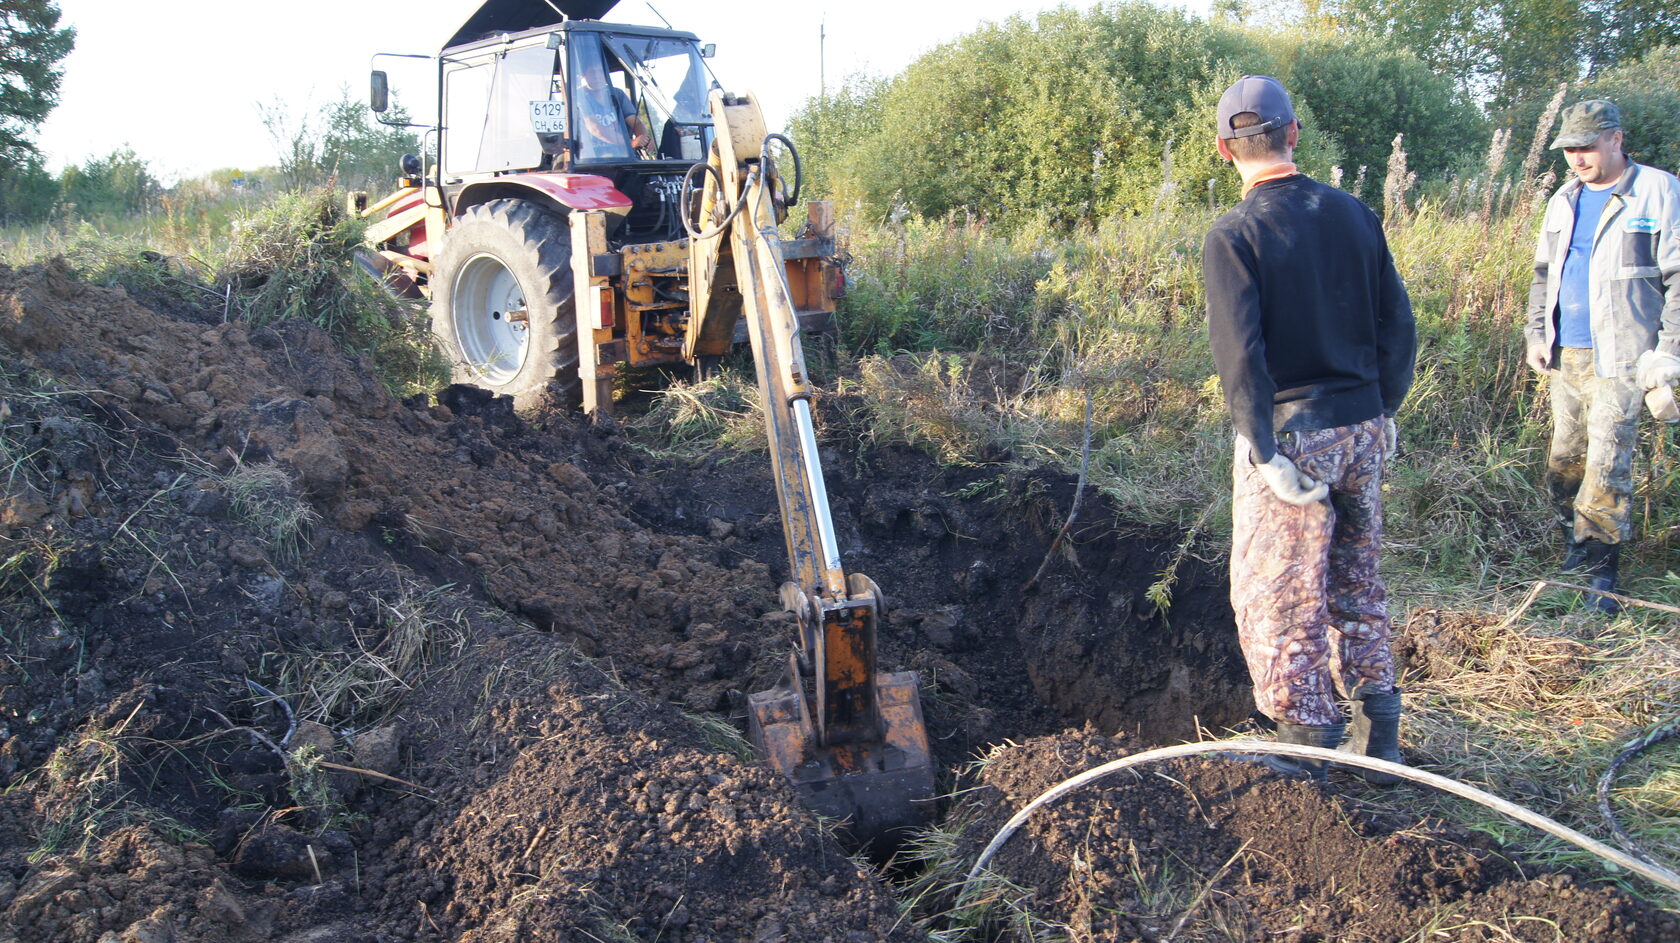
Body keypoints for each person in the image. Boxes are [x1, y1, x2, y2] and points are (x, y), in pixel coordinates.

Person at [1203, 75, 1417, 783]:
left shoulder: (1235, 233)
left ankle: (1309, 742)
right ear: (1293, 134)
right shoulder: (1355, 213)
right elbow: (1398, 324)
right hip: (1361, 424)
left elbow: (1241, 356)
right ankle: (1379, 731)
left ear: (1223, 149)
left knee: (1277, 591)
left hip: (1294, 436)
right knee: (1358, 578)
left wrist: (1263, 450)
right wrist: (1384, 408)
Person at [1525, 100, 1680, 615]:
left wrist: (1667, 353)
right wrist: (1535, 333)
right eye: (1569, 148)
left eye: (1586, 146)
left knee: (1606, 461)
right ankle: (1573, 546)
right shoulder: (1564, 199)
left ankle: (1600, 569)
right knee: (1565, 458)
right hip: (1566, 351)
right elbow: (1544, 273)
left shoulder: (1657, 191)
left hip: (1625, 354)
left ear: (1616, 138)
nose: (1576, 157)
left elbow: (1677, 278)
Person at [573, 54, 652, 160]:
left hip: (623, 156)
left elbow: (635, 122)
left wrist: (643, 138)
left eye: (600, 71)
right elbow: (595, 128)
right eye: (592, 72)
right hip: (593, 158)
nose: (597, 76)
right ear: (584, 75)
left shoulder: (617, 94)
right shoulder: (579, 97)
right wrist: (631, 143)